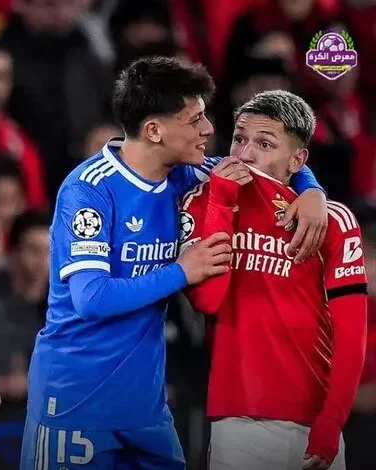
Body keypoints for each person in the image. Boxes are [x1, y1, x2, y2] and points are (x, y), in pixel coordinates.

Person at [20, 56, 329, 469]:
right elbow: (91, 298)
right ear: (154, 130)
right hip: (76, 399)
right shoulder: (89, 190)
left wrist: (312, 191)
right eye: (195, 119)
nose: (209, 129)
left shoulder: (186, 175)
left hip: (146, 405)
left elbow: (265, 169)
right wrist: (182, 270)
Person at [180, 90, 368, 470]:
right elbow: (207, 300)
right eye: (239, 139)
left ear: (298, 160)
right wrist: (222, 203)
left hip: (316, 419)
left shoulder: (331, 220)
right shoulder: (202, 200)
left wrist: (332, 421)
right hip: (239, 419)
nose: (245, 154)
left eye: (264, 144)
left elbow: (352, 332)